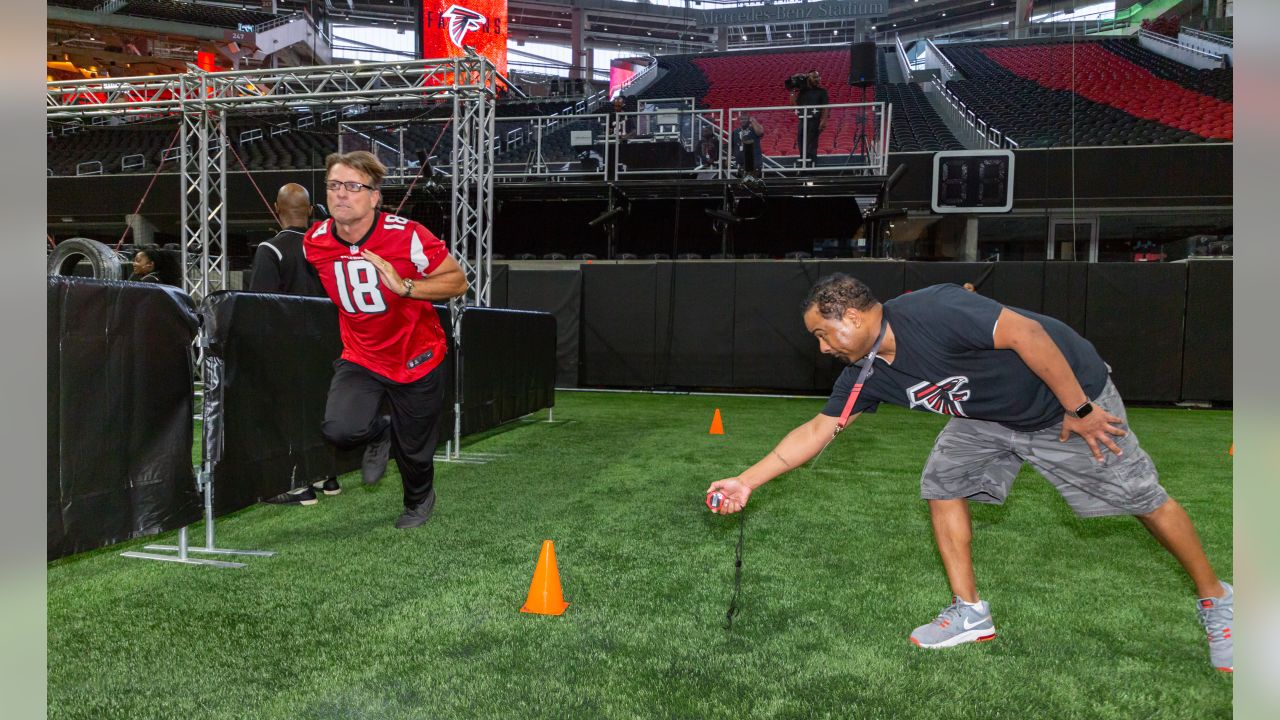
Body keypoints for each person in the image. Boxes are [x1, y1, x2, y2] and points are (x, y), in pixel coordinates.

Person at [706, 274, 1233, 672]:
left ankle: (1218, 599)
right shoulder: (864, 373)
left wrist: (1080, 409)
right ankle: (970, 613)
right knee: (942, 483)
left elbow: (1028, 334)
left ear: (850, 314)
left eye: (823, 333)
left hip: (1065, 405)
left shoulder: (933, 309)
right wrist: (746, 480)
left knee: (1142, 499)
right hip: (986, 417)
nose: (821, 347)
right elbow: (818, 430)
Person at [304, 151, 468, 529]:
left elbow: (458, 281)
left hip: (417, 355)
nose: (341, 194)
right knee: (339, 430)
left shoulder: (406, 235)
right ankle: (381, 430)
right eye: (333, 185)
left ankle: (418, 500)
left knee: (415, 451)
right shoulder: (315, 241)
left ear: (375, 196)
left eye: (353, 186)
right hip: (362, 355)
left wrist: (406, 286)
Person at [253, 183, 392, 506]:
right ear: (312, 211)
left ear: (276, 208)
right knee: (321, 411)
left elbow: (260, 307)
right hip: (332, 346)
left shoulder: (270, 250)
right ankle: (325, 477)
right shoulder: (331, 250)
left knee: (287, 413)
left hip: (287, 349)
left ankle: (297, 484)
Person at [791, 68, 829, 166]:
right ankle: (803, 163)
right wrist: (792, 92)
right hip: (802, 121)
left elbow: (825, 108)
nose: (818, 79)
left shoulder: (822, 91)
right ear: (809, 78)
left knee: (811, 144)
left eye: (818, 77)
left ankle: (812, 165)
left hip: (814, 121)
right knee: (801, 142)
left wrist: (824, 120)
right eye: (815, 77)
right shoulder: (802, 92)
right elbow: (794, 106)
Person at [734, 114, 765, 178]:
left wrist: (753, 121)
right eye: (741, 119)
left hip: (754, 161)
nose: (743, 121)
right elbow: (732, 146)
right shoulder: (736, 131)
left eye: (745, 119)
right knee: (743, 184)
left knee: (754, 182)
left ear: (749, 120)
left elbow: (760, 132)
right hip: (741, 162)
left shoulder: (753, 129)